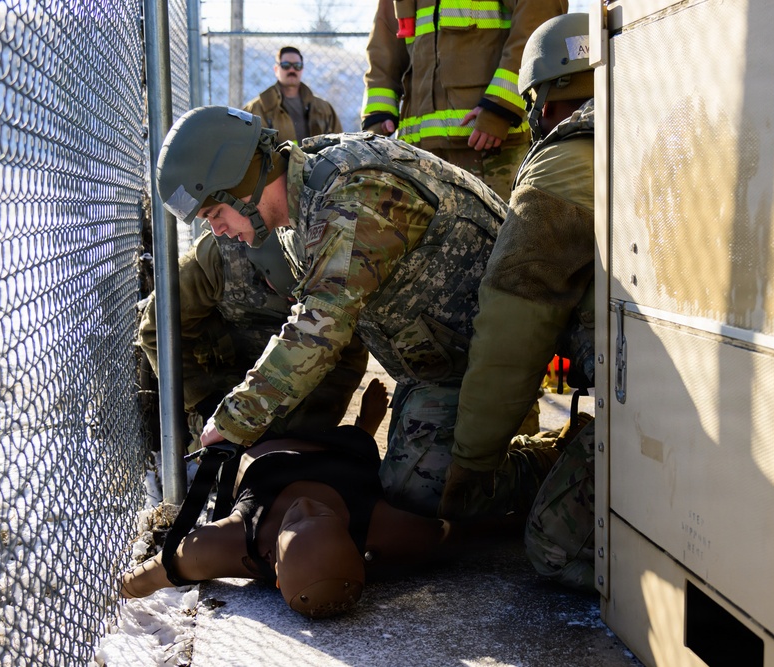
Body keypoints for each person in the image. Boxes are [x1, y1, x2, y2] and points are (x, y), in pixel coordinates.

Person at [154, 105, 558, 517]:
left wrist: (235, 419)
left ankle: (556, 457)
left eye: (215, 214)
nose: (217, 230)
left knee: (426, 498)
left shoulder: (350, 197)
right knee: (396, 491)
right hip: (435, 364)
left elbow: (321, 329)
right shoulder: (303, 198)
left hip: (488, 362)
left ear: (239, 183)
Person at [120, 380, 519, 619]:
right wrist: (520, 523)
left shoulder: (221, 547)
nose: (307, 503)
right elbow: (463, 535)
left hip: (267, 430)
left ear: (273, 574)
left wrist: (110, 591)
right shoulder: (388, 532)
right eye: (325, 517)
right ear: (363, 548)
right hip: (345, 441)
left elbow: (144, 579)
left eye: (295, 521)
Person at [436, 13, 597, 592]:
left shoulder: (563, 163)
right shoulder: (659, 121)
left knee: (555, 543)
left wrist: (470, 468)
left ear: (545, 98)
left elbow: (512, 329)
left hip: (663, 407)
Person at [137, 225, 369, 451]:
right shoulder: (217, 258)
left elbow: (347, 357)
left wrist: (305, 430)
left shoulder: (340, 270)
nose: (291, 302)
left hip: (300, 381)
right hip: (220, 378)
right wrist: (203, 399)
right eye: (285, 292)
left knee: (292, 459)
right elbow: (156, 332)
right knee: (220, 456)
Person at [360, 0, 567, 202]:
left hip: (490, 150)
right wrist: (377, 118)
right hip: (415, 156)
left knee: (497, 233)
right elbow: (384, 42)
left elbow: (539, 21)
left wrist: (501, 106)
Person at [242, 46, 342, 143]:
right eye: (286, 65)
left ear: (302, 69)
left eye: (297, 66)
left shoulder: (324, 109)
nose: (292, 70)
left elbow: (340, 146)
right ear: (276, 69)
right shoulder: (256, 109)